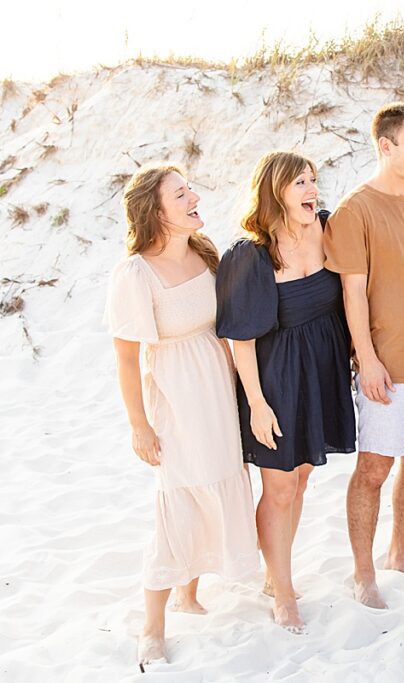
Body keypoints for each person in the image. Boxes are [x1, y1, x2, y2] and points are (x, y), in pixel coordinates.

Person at [106, 165, 259, 665]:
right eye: (181, 194)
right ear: (156, 211)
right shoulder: (136, 273)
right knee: (179, 498)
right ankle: (153, 627)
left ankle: (189, 593)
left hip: (217, 388)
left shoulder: (203, 252)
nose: (195, 198)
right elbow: (127, 357)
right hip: (176, 396)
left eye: (190, 189)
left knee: (216, 480)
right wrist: (139, 425)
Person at [216, 151, 356, 634]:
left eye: (314, 180)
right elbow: (241, 338)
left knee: (299, 479)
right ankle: (281, 588)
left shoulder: (329, 228)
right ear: (275, 190)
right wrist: (256, 403)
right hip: (275, 378)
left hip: (321, 368)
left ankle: (278, 577)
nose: (312, 190)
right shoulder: (250, 254)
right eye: (300, 182)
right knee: (277, 487)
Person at [324, 102, 404, 609]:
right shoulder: (355, 210)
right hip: (390, 367)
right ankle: (363, 572)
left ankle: (400, 553)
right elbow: (352, 294)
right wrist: (369, 358)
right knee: (375, 468)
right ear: (386, 146)